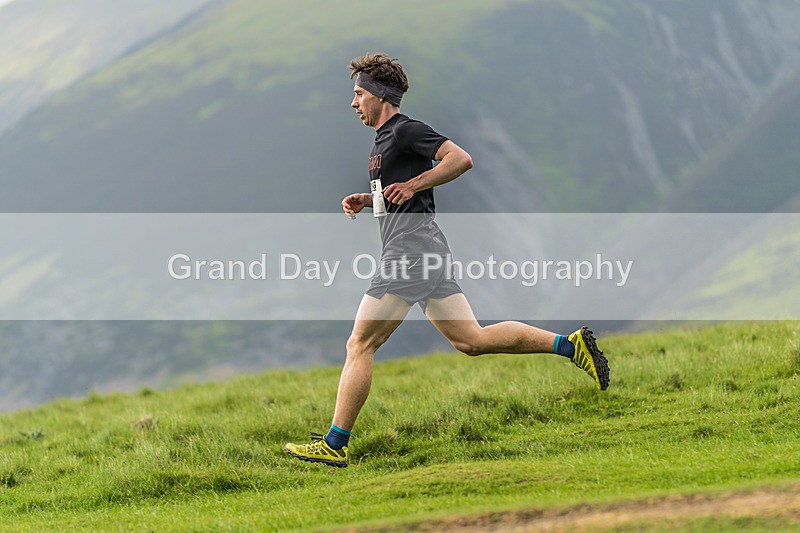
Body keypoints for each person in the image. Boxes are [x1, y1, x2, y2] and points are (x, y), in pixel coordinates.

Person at [284, 53, 609, 468]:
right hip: (424, 249)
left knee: (360, 344)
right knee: (470, 340)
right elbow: (404, 193)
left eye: (359, 94)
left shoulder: (405, 130)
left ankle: (335, 443)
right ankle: (571, 345)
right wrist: (373, 199)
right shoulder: (383, 140)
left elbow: (460, 159)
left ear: (380, 95)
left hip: (411, 253)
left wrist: (415, 181)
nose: (353, 103)